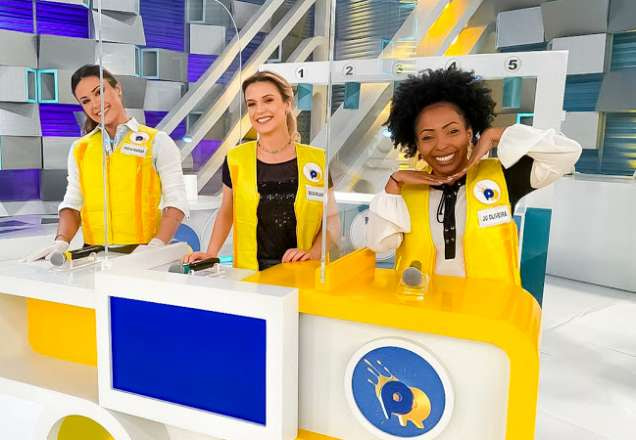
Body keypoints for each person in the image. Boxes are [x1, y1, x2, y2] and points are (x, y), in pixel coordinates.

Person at [367, 66, 582, 285]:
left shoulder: (503, 176)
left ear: (469, 134)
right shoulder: (404, 190)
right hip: (423, 303)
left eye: (453, 131)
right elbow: (380, 245)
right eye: (428, 137)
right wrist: (393, 185)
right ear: (417, 145)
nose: (441, 145)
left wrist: (494, 134)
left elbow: (567, 153)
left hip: (489, 305)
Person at [26, 65, 188, 261]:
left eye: (99, 92)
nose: (95, 104)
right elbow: (73, 202)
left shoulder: (157, 141)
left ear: (117, 88)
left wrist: (156, 246)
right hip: (92, 256)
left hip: (142, 253)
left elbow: (176, 201)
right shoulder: (80, 148)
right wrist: (61, 241)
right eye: (86, 101)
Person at [184, 71, 338, 271]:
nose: (259, 110)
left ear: (287, 104)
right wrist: (211, 253)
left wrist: (312, 254)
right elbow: (227, 212)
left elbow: (331, 219)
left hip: (303, 273)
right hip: (250, 276)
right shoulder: (236, 159)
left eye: (268, 100)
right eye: (252, 104)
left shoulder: (316, 160)